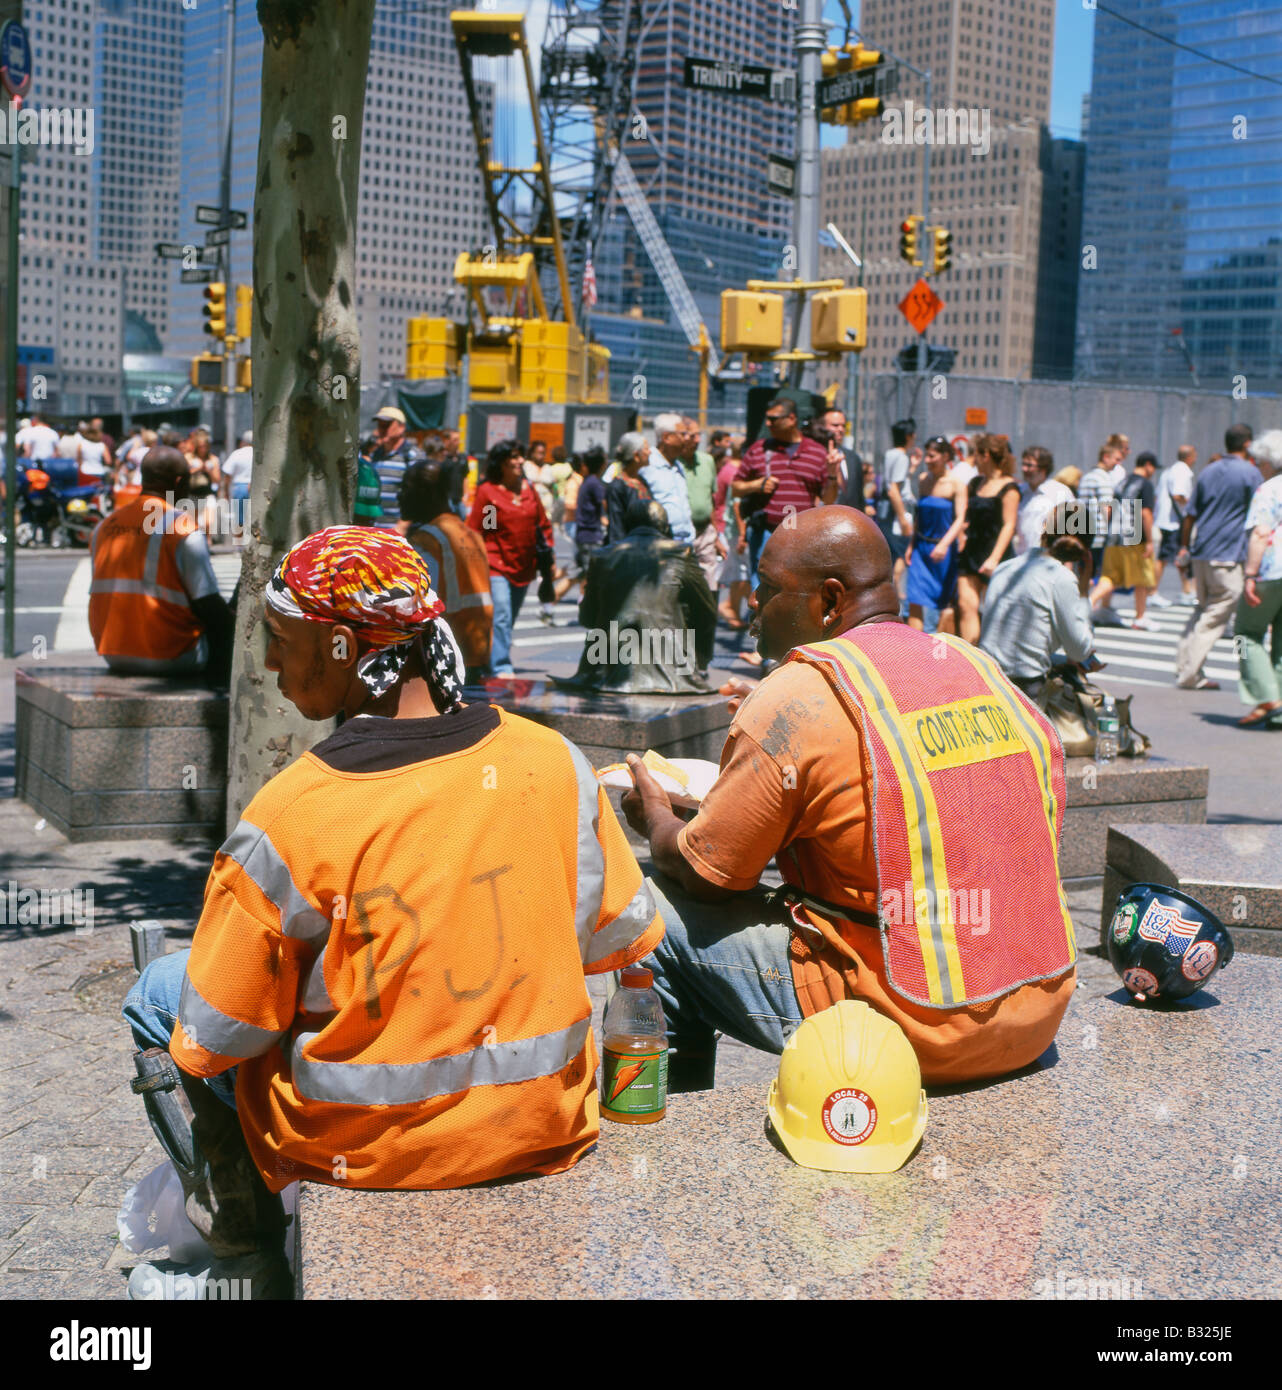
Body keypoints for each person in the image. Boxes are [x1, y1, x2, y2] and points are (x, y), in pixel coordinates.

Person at [122, 525, 663, 1298]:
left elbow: (213, 1035)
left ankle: (249, 1253)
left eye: (281, 639)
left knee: (153, 996)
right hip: (543, 1130)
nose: (271, 665)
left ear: (342, 648)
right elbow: (620, 935)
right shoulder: (553, 761)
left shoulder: (295, 812)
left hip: (365, 1151)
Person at [619, 505, 1076, 1092]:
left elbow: (710, 877)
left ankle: (665, 1129)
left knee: (647, 911)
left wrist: (655, 817)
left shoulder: (798, 694)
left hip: (910, 1028)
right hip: (1033, 1012)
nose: (754, 604)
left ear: (829, 601)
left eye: (766, 588)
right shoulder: (971, 663)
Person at [89, 447, 233, 681]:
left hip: (113, 653)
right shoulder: (182, 528)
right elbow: (208, 605)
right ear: (179, 482)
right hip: (173, 655)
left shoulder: (104, 526)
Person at [572, 496, 716, 694]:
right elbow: (707, 612)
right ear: (664, 526)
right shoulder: (682, 552)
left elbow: (587, 617)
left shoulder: (602, 555)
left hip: (605, 670)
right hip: (672, 672)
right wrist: (699, 662)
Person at [979, 502, 1096, 697]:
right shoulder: (1061, 578)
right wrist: (1084, 592)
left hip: (987, 679)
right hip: (1025, 688)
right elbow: (1080, 650)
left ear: (1044, 528)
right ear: (1083, 550)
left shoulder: (1004, 568)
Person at [1176, 423, 1260, 691]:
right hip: (1227, 555)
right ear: (1247, 444)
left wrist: (1185, 547)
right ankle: (1189, 674)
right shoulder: (1250, 473)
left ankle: (1185, 665)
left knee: (1202, 610)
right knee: (1216, 615)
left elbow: (1190, 514)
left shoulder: (1207, 471)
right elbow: (1259, 517)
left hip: (1201, 552)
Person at [467, 440, 555, 677]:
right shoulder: (491, 493)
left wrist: (550, 556)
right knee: (503, 616)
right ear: (501, 463)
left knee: (507, 618)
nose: (519, 462)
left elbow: (542, 525)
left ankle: (487, 657)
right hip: (496, 565)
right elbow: (484, 531)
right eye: (514, 457)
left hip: (525, 566)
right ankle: (501, 667)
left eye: (520, 457)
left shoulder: (528, 489)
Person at [401, 459, 493, 686]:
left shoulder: (429, 539)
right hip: (475, 651)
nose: (399, 496)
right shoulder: (469, 534)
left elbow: (417, 605)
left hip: (445, 657)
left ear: (426, 493)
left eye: (405, 489)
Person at [733, 394, 833, 589]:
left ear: (792, 419)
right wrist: (757, 485)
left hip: (801, 535)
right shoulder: (759, 449)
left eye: (773, 419)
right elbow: (736, 488)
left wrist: (833, 475)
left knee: (798, 588)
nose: (768, 423)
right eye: (767, 418)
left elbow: (828, 497)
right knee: (762, 587)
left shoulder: (816, 452)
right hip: (765, 533)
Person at [1233, 430, 1282, 726]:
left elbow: (1261, 533)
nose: (1258, 467)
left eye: (1260, 463)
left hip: (1272, 570)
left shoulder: (1269, 489)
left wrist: (1250, 575)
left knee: (1246, 633)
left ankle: (1268, 698)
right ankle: (1277, 708)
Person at [955, 434, 1021, 644]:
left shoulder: (1009, 487)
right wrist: (961, 534)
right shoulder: (974, 484)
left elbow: (1009, 525)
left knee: (995, 612)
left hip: (996, 554)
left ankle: (992, 658)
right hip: (971, 551)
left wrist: (994, 558)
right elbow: (965, 516)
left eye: (977, 455)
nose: (974, 460)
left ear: (986, 456)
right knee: (966, 606)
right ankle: (971, 658)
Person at [904, 436, 967, 633]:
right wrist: (911, 544)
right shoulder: (924, 480)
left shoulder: (956, 484)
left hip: (944, 549)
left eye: (932, 456)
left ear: (945, 456)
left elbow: (960, 518)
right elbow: (919, 516)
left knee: (944, 600)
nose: (928, 461)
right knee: (914, 598)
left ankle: (941, 651)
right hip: (921, 547)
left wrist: (945, 544)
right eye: (927, 457)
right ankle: (915, 647)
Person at [1092, 451, 1158, 628]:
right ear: (1148, 465)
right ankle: (1140, 616)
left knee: (1110, 577)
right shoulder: (1145, 485)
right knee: (1142, 578)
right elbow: (1145, 513)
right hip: (1134, 537)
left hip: (1113, 536)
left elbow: (1109, 509)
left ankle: (1100, 607)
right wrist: (1150, 541)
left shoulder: (1121, 482)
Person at [678, 416, 726, 591]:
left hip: (705, 531)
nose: (697, 440)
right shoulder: (672, 464)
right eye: (692, 436)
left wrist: (716, 537)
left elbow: (710, 501)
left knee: (709, 584)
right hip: (680, 533)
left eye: (699, 435)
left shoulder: (707, 461)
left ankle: (707, 617)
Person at [641, 414, 696, 546]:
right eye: (682, 434)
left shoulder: (678, 467)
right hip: (661, 546)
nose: (687, 439)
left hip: (686, 544)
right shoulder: (647, 466)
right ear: (666, 437)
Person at [1152, 445, 1196, 606]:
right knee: (1164, 557)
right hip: (1173, 521)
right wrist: (1191, 506)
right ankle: (1152, 591)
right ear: (1190, 457)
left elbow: (1158, 495)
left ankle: (1187, 590)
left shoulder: (1169, 471)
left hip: (1167, 519)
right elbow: (1178, 495)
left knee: (1181, 554)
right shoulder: (1182, 471)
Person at [714, 439, 751, 629]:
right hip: (734, 529)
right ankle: (730, 607)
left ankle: (732, 609)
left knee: (739, 571)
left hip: (725, 525)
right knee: (743, 571)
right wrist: (743, 533)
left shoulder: (726, 468)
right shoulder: (737, 473)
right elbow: (737, 505)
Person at [878, 417, 917, 592]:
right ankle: (896, 595)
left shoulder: (890, 454)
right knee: (901, 554)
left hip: (885, 511)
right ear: (909, 436)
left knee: (891, 554)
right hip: (897, 513)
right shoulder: (902, 457)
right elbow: (894, 489)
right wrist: (902, 519)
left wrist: (912, 469)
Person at [369, 406, 420, 530]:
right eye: (380, 425)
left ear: (401, 427)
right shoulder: (375, 454)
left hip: (398, 532)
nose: (382, 429)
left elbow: (418, 494)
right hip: (374, 529)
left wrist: (403, 526)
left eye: (386, 425)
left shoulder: (412, 456)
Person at [1015, 446, 1073, 556]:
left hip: (1051, 560)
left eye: (1029, 465)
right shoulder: (1019, 492)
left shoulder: (1060, 492)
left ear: (1043, 468)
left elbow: (1071, 529)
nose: (1024, 469)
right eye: (1023, 464)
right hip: (1022, 559)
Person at [1077, 444, 1121, 588]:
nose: (1118, 463)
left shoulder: (1087, 476)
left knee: (1082, 572)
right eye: (1116, 459)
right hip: (1098, 534)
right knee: (1093, 574)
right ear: (1105, 457)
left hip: (1082, 531)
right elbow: (1107, 507)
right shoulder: (1104, 478)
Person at [605, 431, 653, 541]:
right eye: (646, 449)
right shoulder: (617, 487)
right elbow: (616, 527)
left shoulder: (643, 481)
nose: (650, 452)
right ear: (636, 456)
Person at [820, 405, 864, 513]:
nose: (840, 429)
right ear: (822, 427)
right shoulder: (816, 455)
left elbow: (859, 496)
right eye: (835, 425)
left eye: (843, 426)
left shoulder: (853, 458)